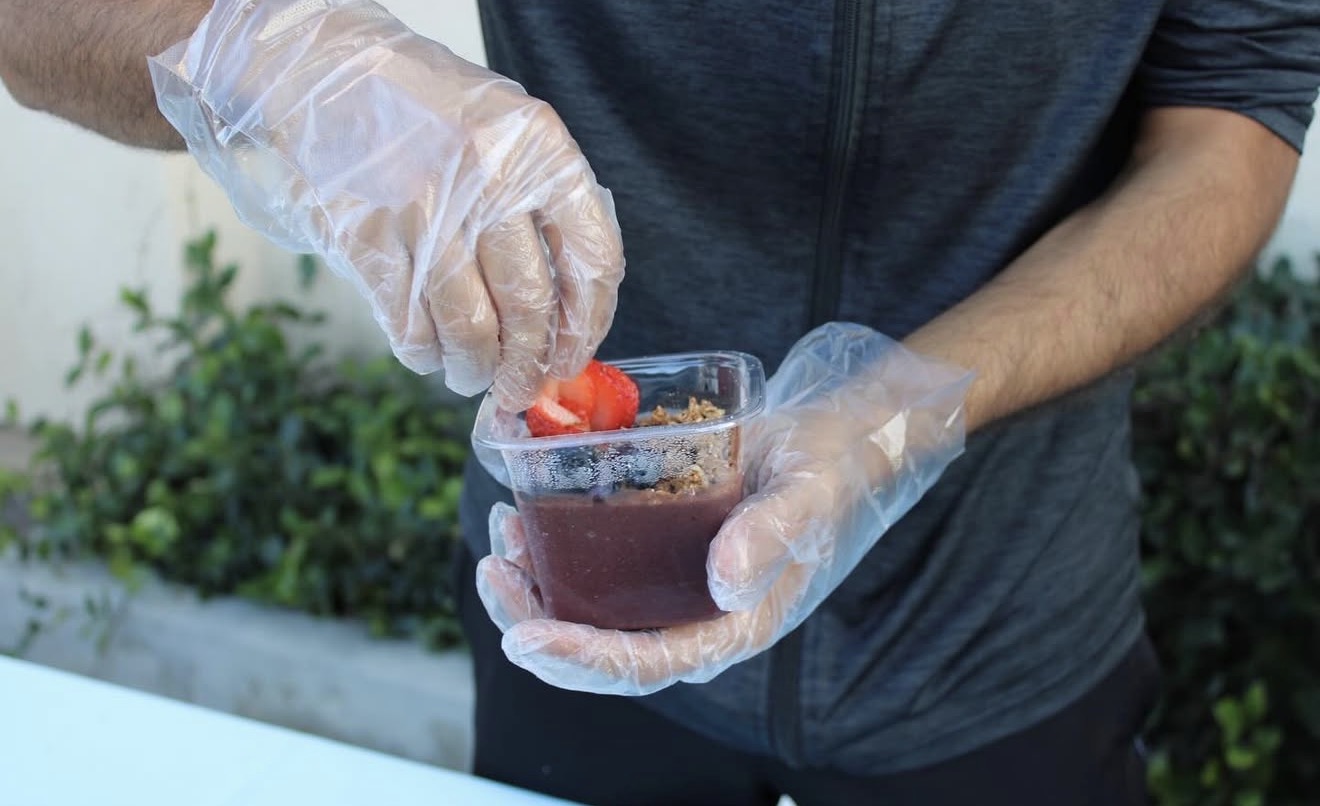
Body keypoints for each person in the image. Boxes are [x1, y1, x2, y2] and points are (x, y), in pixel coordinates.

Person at [4, 1, 1319, 803]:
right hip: (577, 605)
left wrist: (904, 409)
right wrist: (278, 62)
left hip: (1004, 626)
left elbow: (1230, 128)